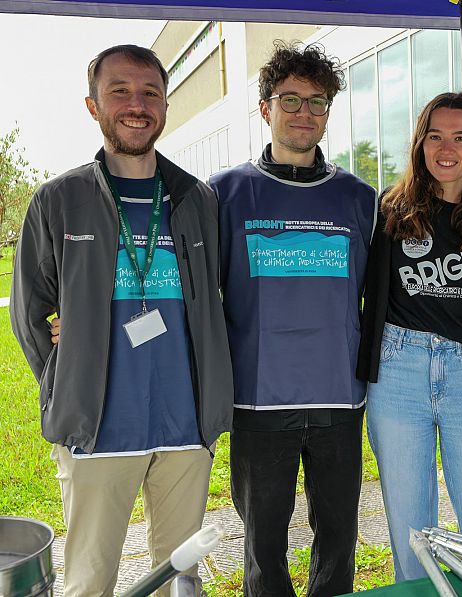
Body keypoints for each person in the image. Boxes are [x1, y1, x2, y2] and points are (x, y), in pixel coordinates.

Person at [10, 44, 233, 596]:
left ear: (165, 105)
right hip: (99, 431)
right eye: (120, 92)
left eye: (150, 93)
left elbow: (214, 297)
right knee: (90, 582)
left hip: (186, 428)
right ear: (93, 105)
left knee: (180, 579)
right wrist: (65, 373)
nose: (137, 105)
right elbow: (28, 312)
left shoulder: (197, 198)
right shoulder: (59, 200)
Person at [210, 41, 376, 597]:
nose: (304, 112)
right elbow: (198, 293)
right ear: (265, 108)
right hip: (259, 399)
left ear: (328, 112)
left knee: (339, 538)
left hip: (338, 397)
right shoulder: (225, 194)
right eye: (290, 100)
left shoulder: (359, 198)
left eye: (317, 102)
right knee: (263, 547)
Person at [356, 92, 462, 581]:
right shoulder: (391, 212)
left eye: (460, 137)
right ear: (420, 144)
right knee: (412, 531)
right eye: (435, 136)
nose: (446, 148)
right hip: (398, 369)